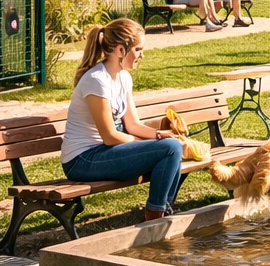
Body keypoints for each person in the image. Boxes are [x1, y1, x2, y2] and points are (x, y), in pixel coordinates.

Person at [61, 18, 187, 221]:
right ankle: (155, 216)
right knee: (170, 148)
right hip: (82, 160)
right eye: (137, 49)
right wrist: (150, 143)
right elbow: (110, 136)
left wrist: (158, 135)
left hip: (102, 153)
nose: (141, 55)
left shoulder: (123, 78)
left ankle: (162, 211)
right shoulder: (96, 81)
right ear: (120, 50)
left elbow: (132, 125)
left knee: (173, 146)